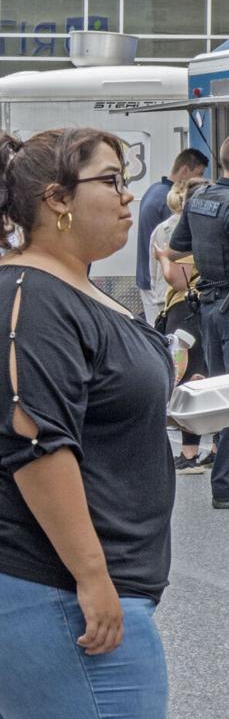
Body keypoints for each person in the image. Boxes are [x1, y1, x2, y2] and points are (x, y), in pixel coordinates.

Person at [0, 128, 173, 719]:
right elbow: (35, 445)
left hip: (52, 580)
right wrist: (93, 577)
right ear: (58, 199)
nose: (128, 196)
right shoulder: (29, 292)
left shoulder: (72, 284)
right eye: (111, 180)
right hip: (45, 579)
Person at [168, 140, 229, 509]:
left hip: (208, 304)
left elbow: (177, 249)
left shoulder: (201, 198)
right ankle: (223, 482)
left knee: (221, 396)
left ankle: (222, 481)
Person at [156, 180, 212, 473]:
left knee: (190, 379)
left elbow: (179, 279)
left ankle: (189, 453)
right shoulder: (211, 224)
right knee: (212, 375)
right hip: (207, 308)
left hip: (184, 309)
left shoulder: (182, 231)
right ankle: (215, 449)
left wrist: (164, 258)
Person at [138, 148, 209, 324]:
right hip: (168, 294)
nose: (199, 180)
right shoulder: (171, 210)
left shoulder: (152, 191)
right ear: (185, 170)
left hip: (150, 281)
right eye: (198, 174)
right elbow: (178, 270)